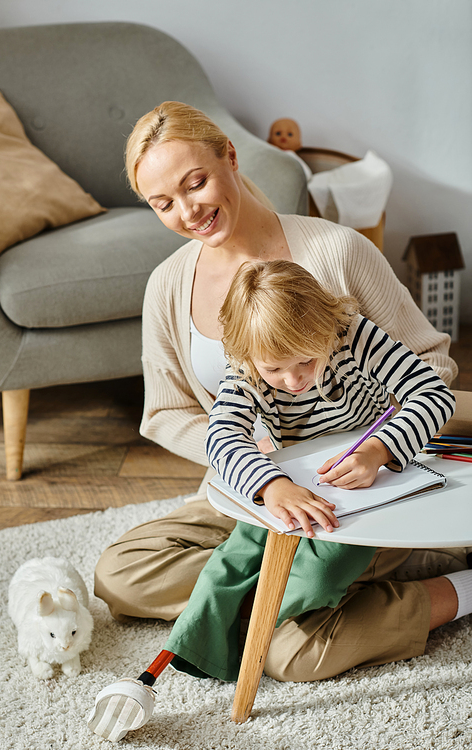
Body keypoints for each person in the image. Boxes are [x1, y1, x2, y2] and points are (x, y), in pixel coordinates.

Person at [94, 101, 469, 682]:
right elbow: (167, 413)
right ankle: (303, 596)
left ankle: (437, 582)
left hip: (358, 487)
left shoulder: (336, 253)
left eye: (196, 183)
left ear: (231, 159)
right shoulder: (167, 284)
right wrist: (266, 471)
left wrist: (373, 450)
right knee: (120, 571)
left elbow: (431, 370)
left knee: (288, 653)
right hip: (251, 488)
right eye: (163, 203)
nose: (188, 211)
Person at [160, 258, 457, 681]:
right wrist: (272, 484)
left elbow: (433, 393)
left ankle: (253, 633)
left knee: (314, 577)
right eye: (274, 369)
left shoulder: (353, 335)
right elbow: (221, 437)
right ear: (247, 356)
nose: (294, 379)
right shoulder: (247, 364)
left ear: (327, 330)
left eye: (307, 361)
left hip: (362, 495)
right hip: (292, 491)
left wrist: (377, 450)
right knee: (226, 566)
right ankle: (207, 650)